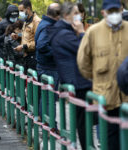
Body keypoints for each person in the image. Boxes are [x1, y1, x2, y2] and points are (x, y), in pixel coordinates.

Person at [77, 0, 128, 149]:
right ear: (103, 12)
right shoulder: (93, 32)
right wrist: (98, 80)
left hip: (127, 97)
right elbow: (83, 62)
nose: (114, 15)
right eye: (110, 11)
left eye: (116, 11)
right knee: (111, 140)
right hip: (105, 97)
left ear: (121, 10)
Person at [48, 2, 92, 150]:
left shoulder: (62, 31)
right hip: (79, 82)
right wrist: (82, 32)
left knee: (86, 121)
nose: (78, 16)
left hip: (78, 81)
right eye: (75, 13)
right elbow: (85, 50)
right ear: (66, 16)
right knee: (87, 121)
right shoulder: (64, 34)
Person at [35, 3, 61, 120]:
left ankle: (46, 123)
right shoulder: (48, 26)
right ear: (57, 15)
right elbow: (41, 45)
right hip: (49, 67)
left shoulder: (45, 23)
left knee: (45, 97)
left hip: (46, 66)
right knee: (49, 99)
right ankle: (51, 126)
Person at [15, 0, 41, 73]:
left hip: (33, 56)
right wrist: (18, 37)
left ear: (28, 9)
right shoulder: (26, 21)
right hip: (26, 55)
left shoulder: (36, 21)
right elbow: (28, 37)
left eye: (21, 10)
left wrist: (23, 46)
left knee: (33, 82)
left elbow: (38, 42)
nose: (20, 13)